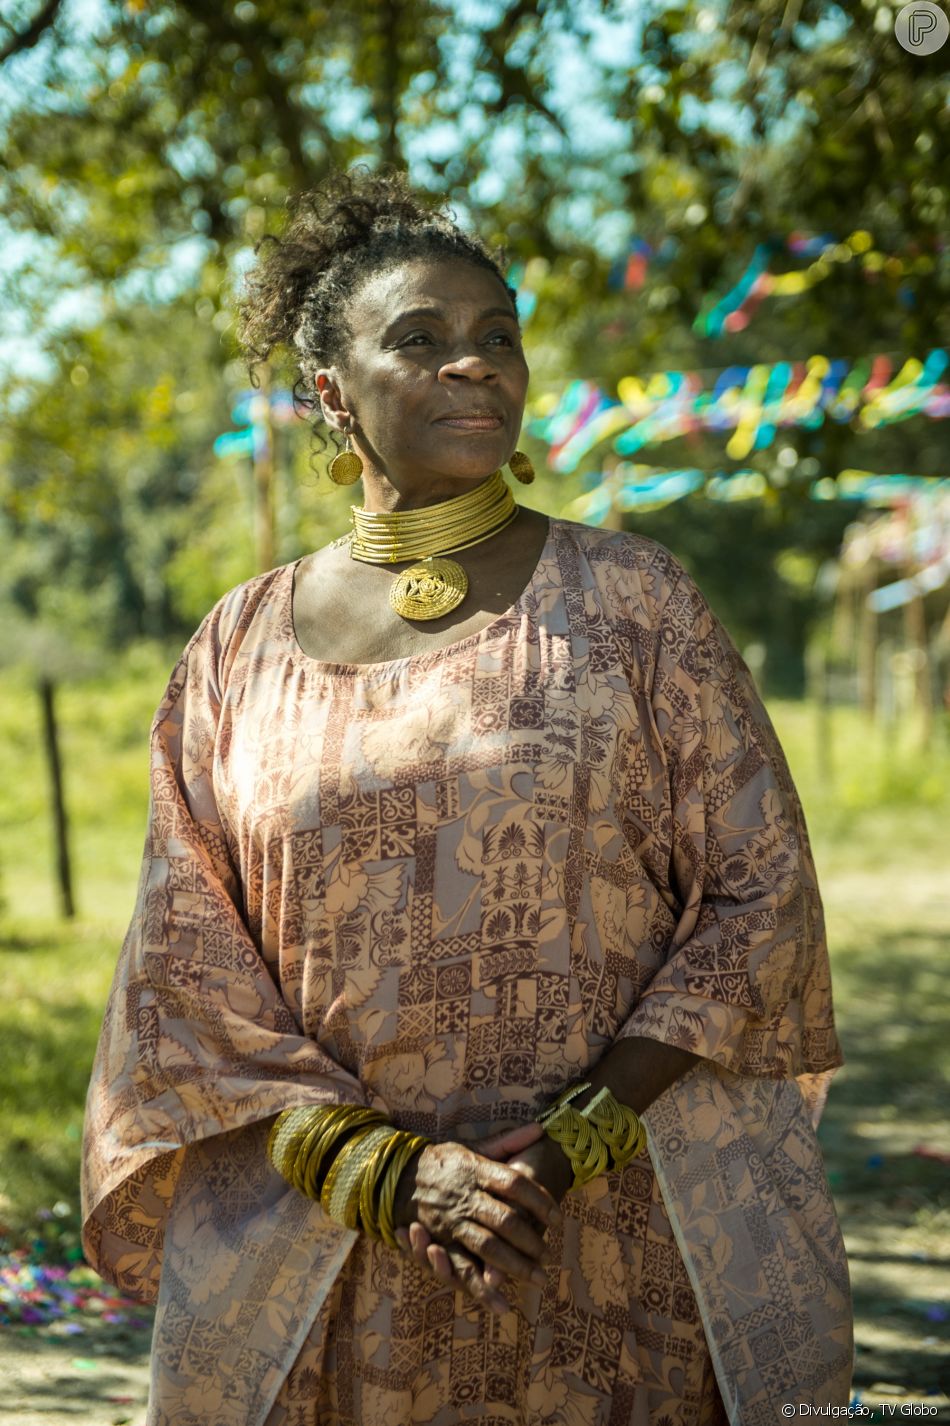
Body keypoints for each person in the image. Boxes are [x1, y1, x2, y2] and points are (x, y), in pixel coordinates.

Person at [81, 169, 853, 1426]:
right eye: (421, 341)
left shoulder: (633, 604)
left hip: (613, 1230)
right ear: (329, 391)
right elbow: (187, 969)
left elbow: (758, 893)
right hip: (337, 1248)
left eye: (497, 336)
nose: (473, 366)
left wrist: (569, 1145)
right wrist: (381, 1171)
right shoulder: (236, 649)